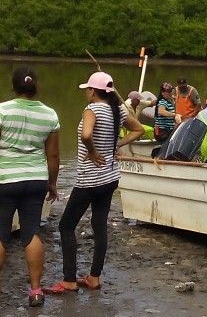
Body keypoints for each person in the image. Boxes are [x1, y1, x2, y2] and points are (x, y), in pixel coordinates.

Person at [0, 66, 60, 311]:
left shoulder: (1, 110)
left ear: (13, 87)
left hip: (4, 180)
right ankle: (36, 291)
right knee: (31, 233)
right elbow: (54, 155)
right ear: (35, 86)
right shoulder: (50, 115)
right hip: (35, 180)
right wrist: (52, 183)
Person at [44, 71, 143, 295]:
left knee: (66, 226)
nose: (86, 94)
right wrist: (116, 144)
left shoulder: (92, 109)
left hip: (89, 180)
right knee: (99, 226)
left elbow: (87, 135)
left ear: (92, 91)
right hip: (110, 178)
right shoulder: (116, 109)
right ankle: (94, 278)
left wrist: (92, 151)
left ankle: (69, 280)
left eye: (87, 89)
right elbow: (138, 130)